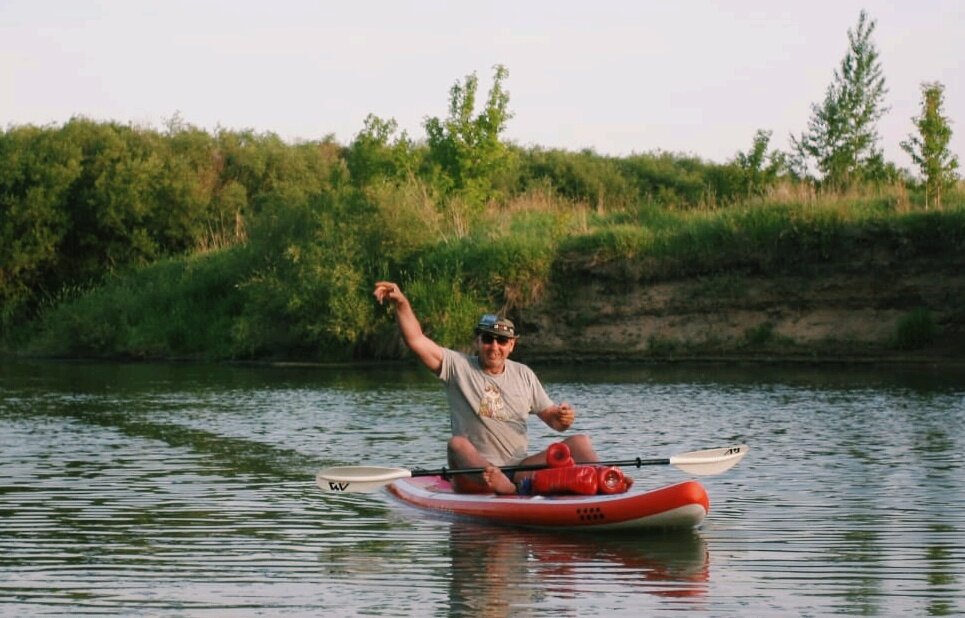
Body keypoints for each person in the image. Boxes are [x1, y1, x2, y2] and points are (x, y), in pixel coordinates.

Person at [373, 280, 604, 495]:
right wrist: (401, 303)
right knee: (457, 444)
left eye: (502, 341)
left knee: (580, 442)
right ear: (479, 341)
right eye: (488, 339)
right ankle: (499, 485)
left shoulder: (524, 374)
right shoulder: (457, 366)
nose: (494, 346)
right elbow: (416, 340)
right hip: (472, 474)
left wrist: (563, 416)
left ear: (511, 345)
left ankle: (610, 480)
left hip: (519, 469)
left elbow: (554, 421)